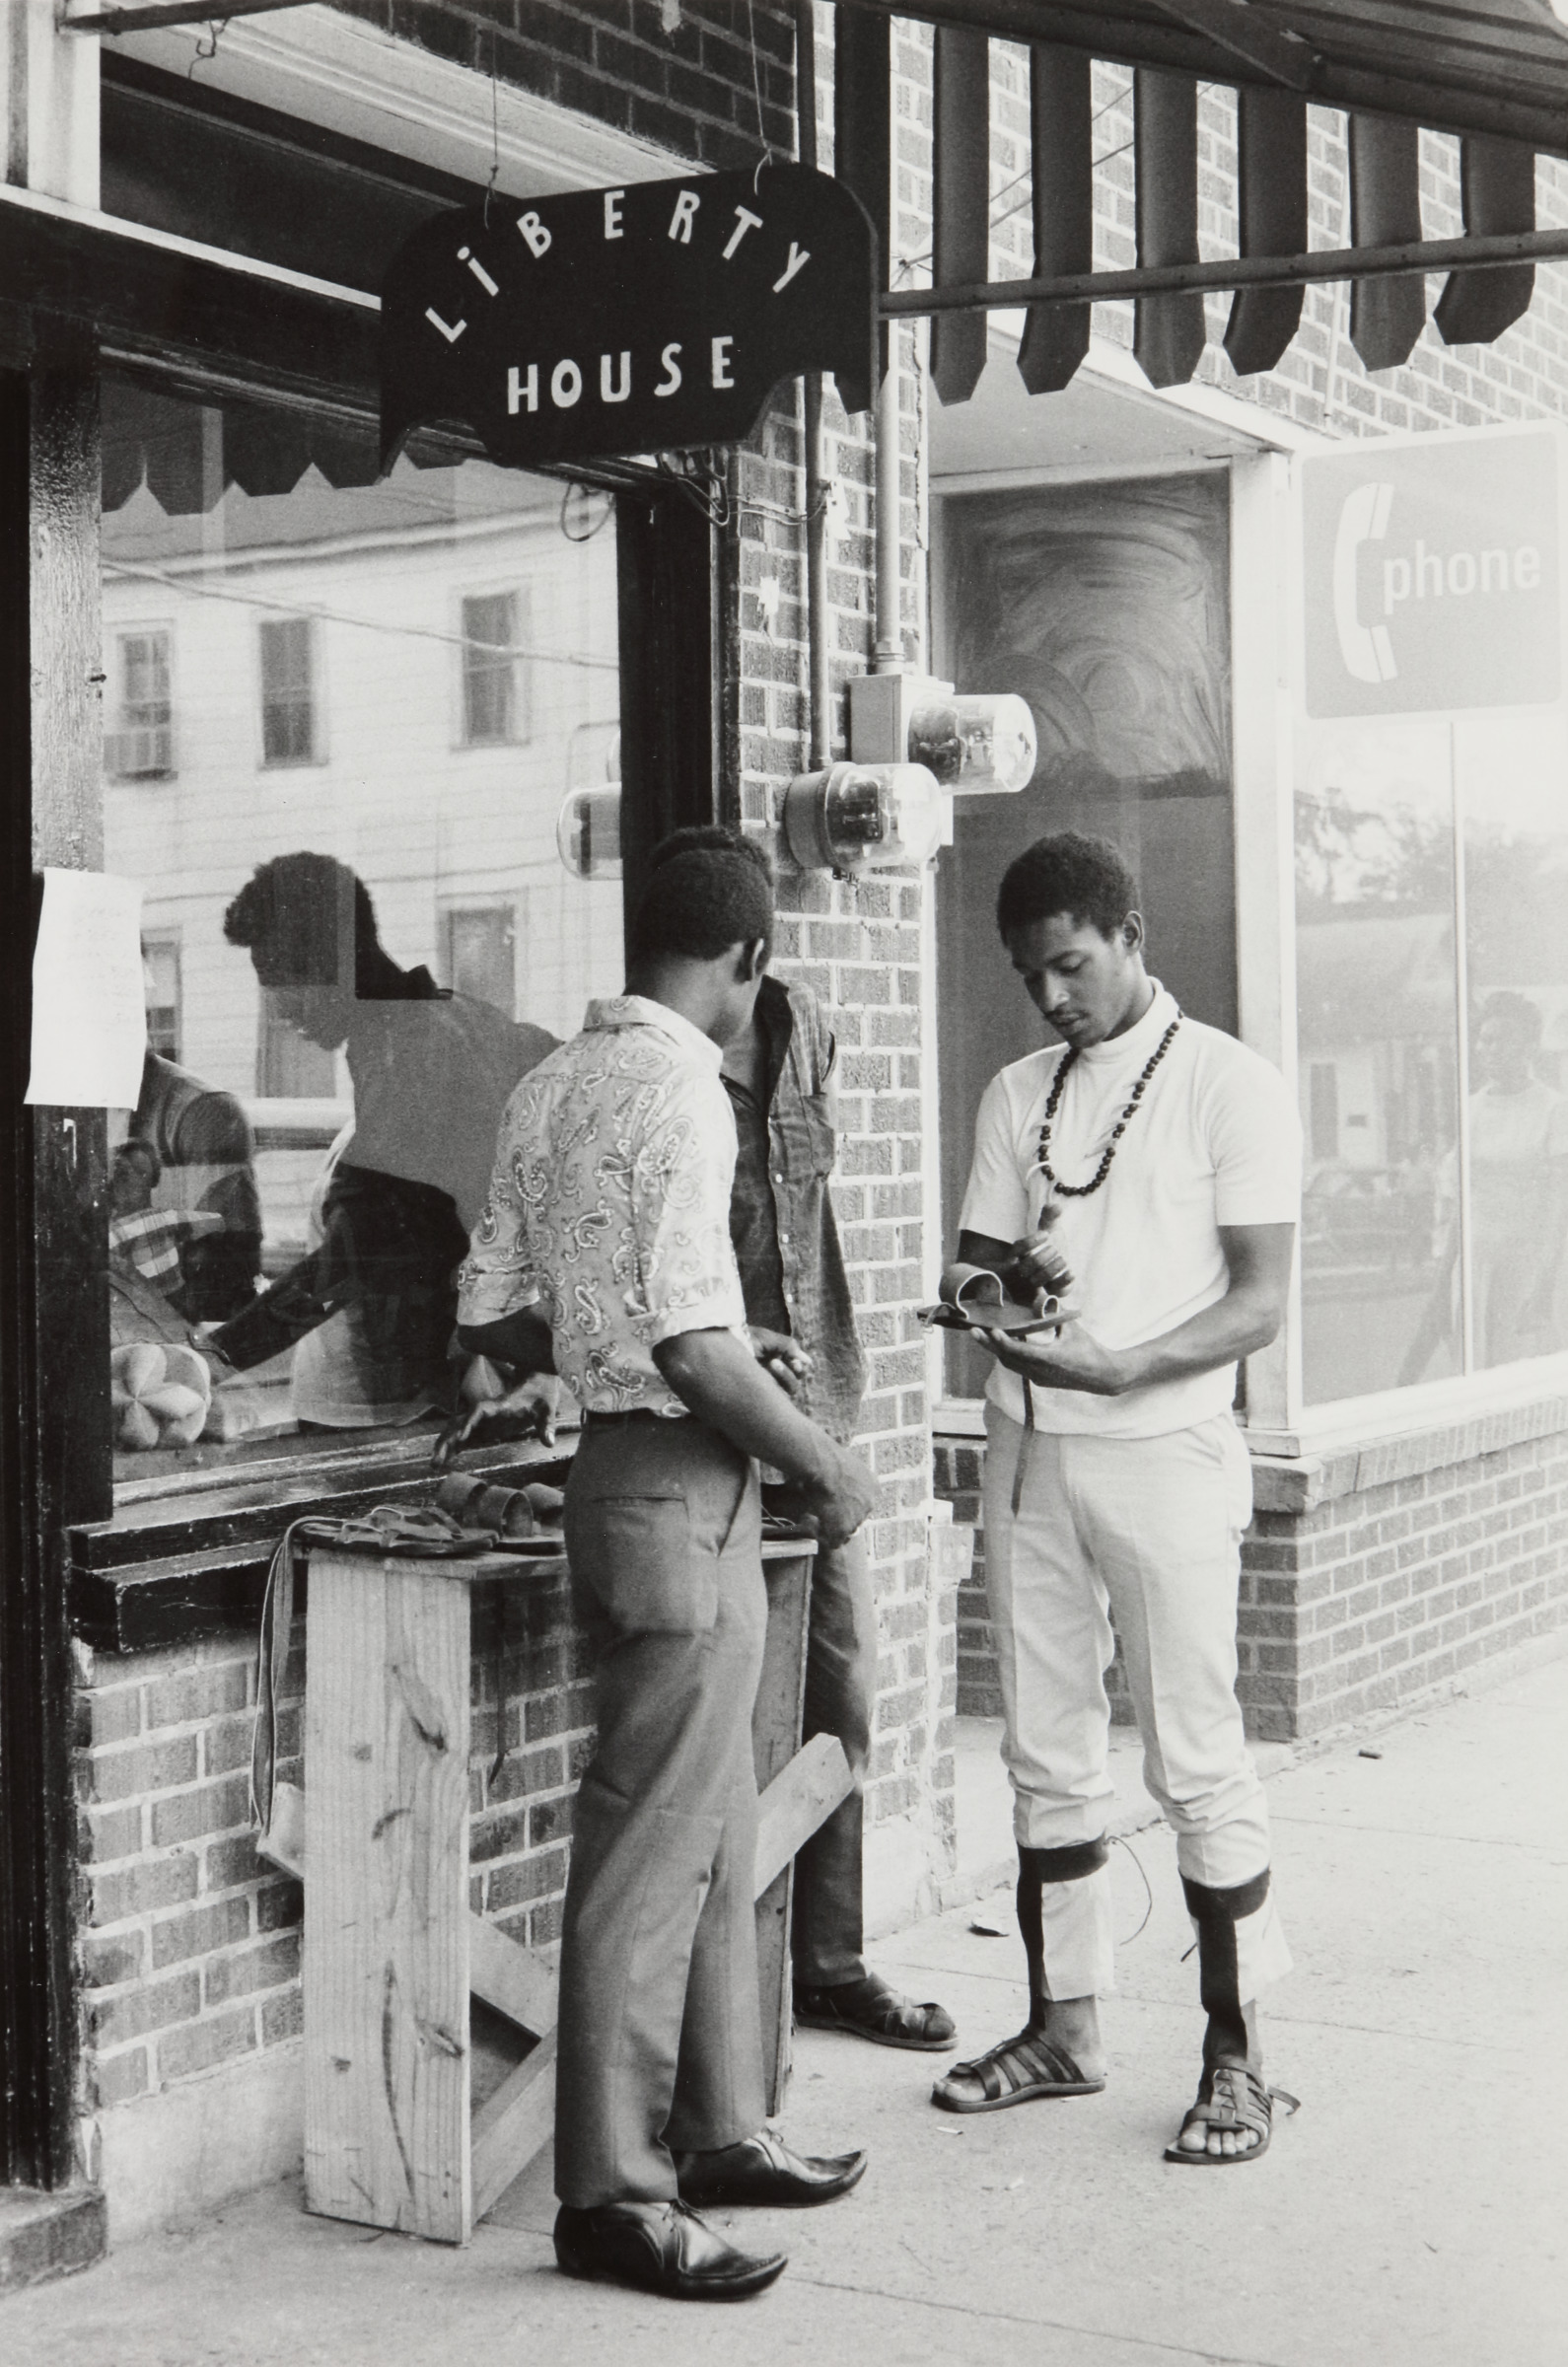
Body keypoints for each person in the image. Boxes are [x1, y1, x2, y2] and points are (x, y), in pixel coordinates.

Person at [456, 844, 877, 2301]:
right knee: (648, 1850)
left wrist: (618, 1339)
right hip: (680, 1486)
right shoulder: (686, 1089)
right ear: (749, 963)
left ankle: (716, 2127)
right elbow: (695, 1349)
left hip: (615, 1477)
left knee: (701, 1823)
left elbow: (499, 1313)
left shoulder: (551, 1083)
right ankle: (611, 2198)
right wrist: (826, 1458)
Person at [933, 830, 1300, 2167]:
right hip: (1028, 1451)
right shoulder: (1016, 1091)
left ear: (1129, 935)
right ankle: (1065, 2025)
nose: (1051, 997)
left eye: (1071, 965)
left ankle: (1237, 2053)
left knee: (1196, 1755)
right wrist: (1004, 1296)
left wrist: (1126, 1360)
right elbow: (977, 1278)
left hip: (1165, 1447)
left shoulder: (1226, 1086)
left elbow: (1257, 1303)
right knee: (1043, 1751)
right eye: (1030, 974)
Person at [646, 825, 955, 2053]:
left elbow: (805, 1212)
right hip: (705, 1415)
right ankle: (716, 2002)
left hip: (813, 1410)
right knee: (721, 1717)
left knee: (841, 1690)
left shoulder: (806, 1028)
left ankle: (827, 1958)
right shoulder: (650, 1069)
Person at [208, 852, 554, 1426]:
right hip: (470, 1379)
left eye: (280, 982)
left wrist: (221, 1354)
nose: (276, 1010)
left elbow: (361, 1250)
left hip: (424, 1404)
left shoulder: (404, 1051)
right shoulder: (459, 1020)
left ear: (328, 962)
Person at [1398, 990, 1568, 1382]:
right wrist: (1444, 1282)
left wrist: (1545, 1286)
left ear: (1529, 1045)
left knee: (1520, 1375)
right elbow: (1463, 1202)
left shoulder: (1553, 1109)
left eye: (1503, 1039)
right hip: (1475, 1264)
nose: (1490, 1049)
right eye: (1485, 1039)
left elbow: (1561, 1205)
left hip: (1530, 1264)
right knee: (1471, 1373)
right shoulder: (1472, 1108)